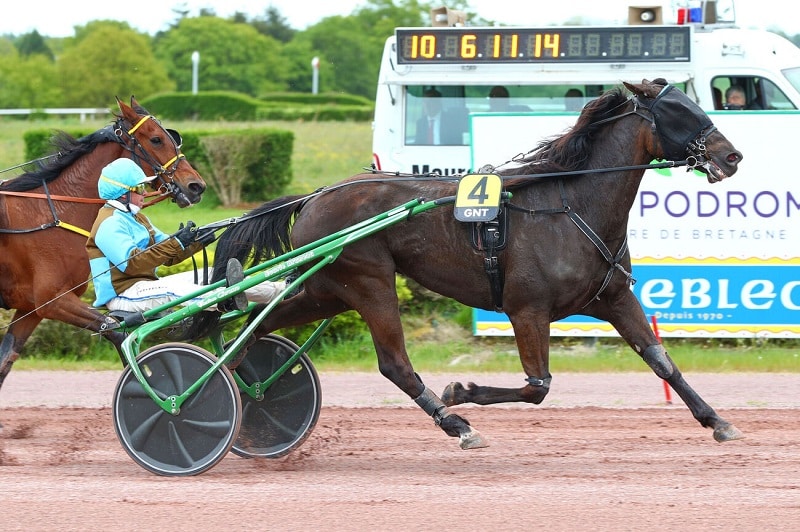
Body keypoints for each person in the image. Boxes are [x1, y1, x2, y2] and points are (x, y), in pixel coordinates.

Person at [86, 158, 285, 314]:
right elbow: (133, 263)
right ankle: (222, 300)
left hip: (145, 287)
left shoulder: (138, 218)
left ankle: (281, 291)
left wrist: (195, 242)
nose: (145, 193)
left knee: (214, 274)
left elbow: (170, 255)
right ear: (122, 193)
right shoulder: (109, 222)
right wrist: (176, 242)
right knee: (179, 291)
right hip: (123, 295)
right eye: (139, 189)